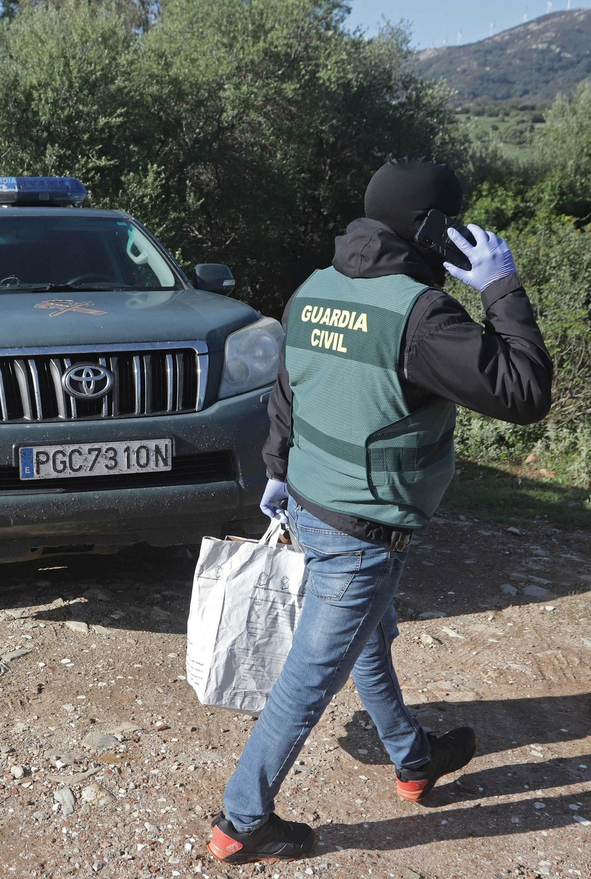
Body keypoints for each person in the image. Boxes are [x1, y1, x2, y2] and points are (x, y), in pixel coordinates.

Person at [207, 157, 554, 864]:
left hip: (310, 501)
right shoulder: (421, 316)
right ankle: (241, 820)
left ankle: (413, 759)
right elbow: (524, 391)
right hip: (362, 528)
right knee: (310, 674)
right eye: (452, 222)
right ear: (432, 226)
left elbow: (287, 390)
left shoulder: (315, 289)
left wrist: (277, 470)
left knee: (369, 636)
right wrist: (503, 288)